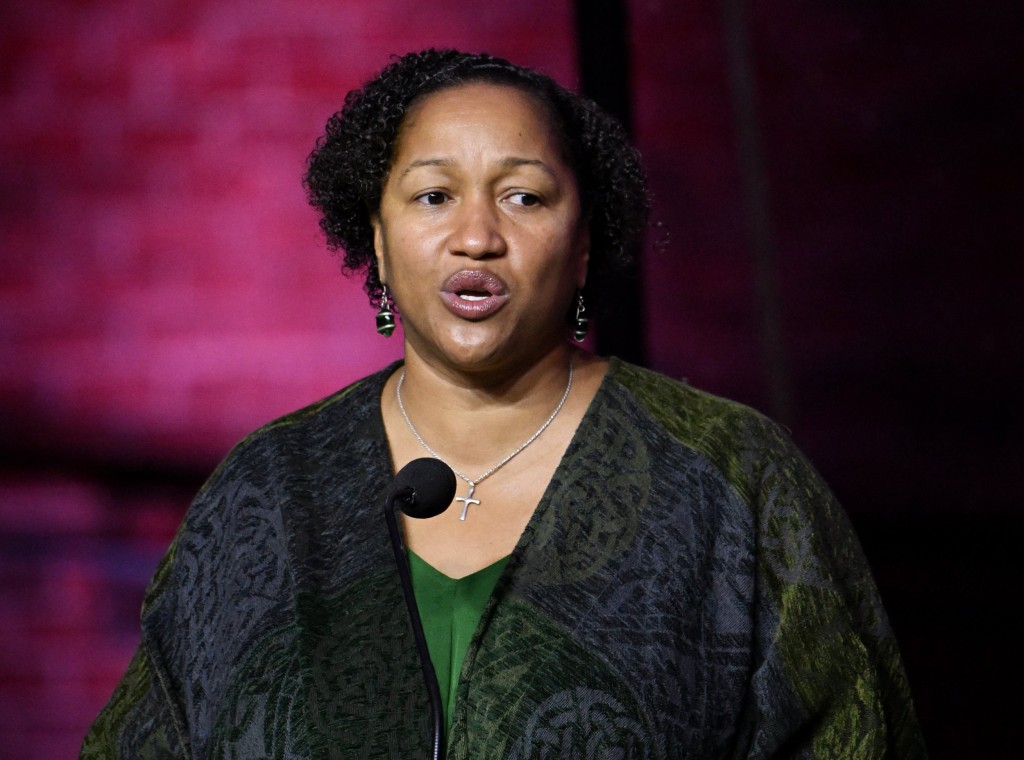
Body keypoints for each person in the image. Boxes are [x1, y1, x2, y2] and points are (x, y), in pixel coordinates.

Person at [81, 49, 926, 758]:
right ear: (376, 237)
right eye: (433, 196)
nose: (477, 235)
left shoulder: (730, 477)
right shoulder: (268, 489)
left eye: (523, 196)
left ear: (585, 239)